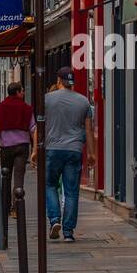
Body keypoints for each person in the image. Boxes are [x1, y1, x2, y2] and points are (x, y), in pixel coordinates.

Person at [44, 67, 96, 243]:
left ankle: (54, 219)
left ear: (59, 80)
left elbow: (40, 125)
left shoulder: (47, 99)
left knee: (50, 185)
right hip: (74, 150)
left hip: (52, 149)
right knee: (72, 191)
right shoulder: (84, 102)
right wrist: (91, 153)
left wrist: (36, 150)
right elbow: (88, 129)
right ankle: (68, 232)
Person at [0, 81, 35, 212]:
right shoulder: (27, 108)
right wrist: (35, 149)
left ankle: (5, 206)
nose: (23, 93)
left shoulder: (0, 108)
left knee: (6, 176)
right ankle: (16, 207)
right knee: (19, 176)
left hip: (5, 146)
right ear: (18, 92)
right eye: (22, 91)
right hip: (21, 146)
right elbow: (33, 129)